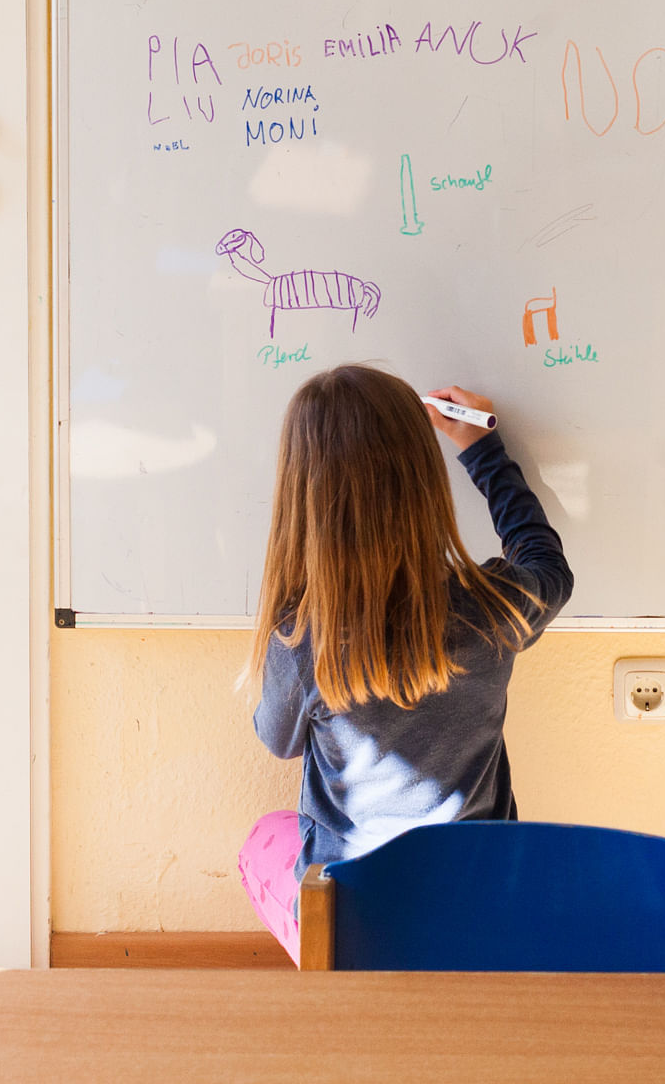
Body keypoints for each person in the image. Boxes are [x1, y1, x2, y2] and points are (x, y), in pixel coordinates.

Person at [235, 364, 571, 962]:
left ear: (301, 498)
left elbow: (278, 740)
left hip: (354, 923)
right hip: (480, 903)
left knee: (263, 840)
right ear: (423, 482)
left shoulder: (302, 638)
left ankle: (343, 976)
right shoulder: (494, 608)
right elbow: (546, 563)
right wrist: (482, 449)